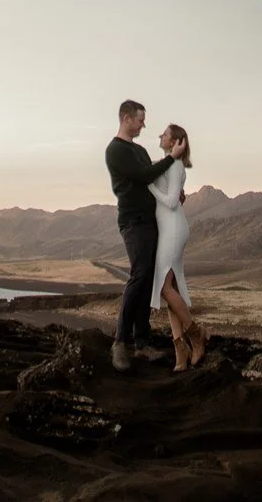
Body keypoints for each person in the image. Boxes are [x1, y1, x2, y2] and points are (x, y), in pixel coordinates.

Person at [104, 99, 184, 370]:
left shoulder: (138, 149)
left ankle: (141, 343)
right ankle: (120, 342)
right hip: (133, 222)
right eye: (140, 120)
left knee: (148, 277)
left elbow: (152, 180)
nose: (143, 124)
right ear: (126, 119)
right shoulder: (116, 150)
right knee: (139, 275)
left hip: (149, 221)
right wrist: (171, 157)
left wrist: (175, 190)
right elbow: (143, 175)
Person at [149, 122, 207, 370]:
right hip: (169, 228)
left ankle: (195, 334)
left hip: (173, 229)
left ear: (174, 142)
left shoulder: (174, 165)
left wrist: (149, 186)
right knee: (169, 288)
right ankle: (180, 351)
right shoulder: (170, 165)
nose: (160, 136)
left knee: (164, 287)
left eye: (165, 134)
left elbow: (172, 202)